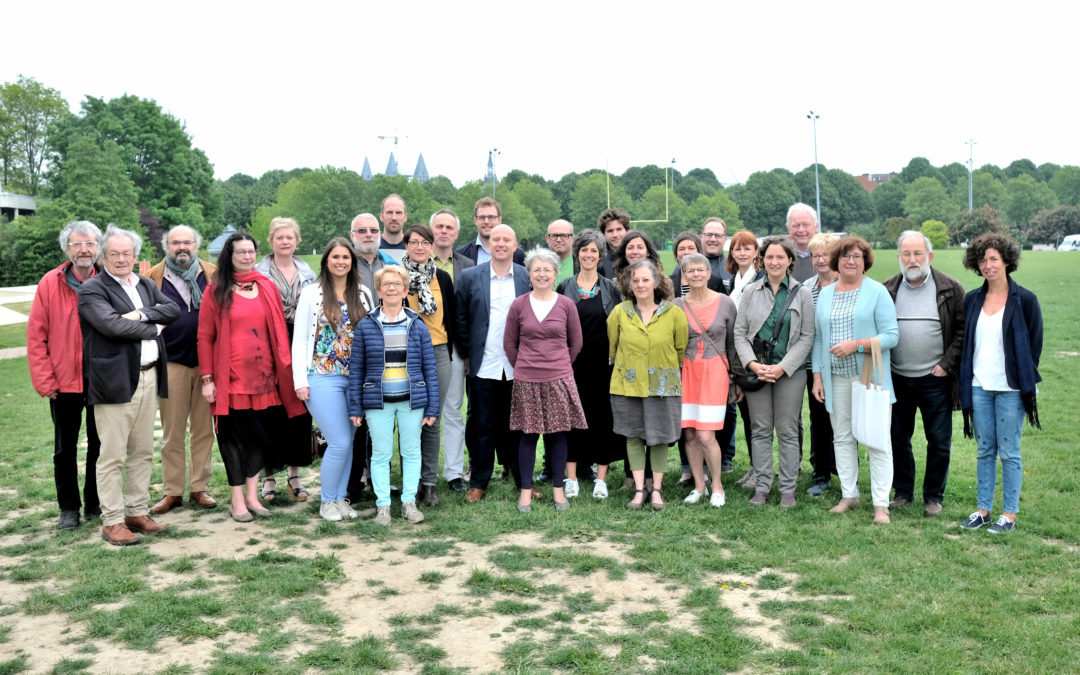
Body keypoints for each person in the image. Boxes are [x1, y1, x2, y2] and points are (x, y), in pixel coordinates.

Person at [78, 225, 179, 545]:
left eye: (127, 253)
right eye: (114, 254)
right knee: (112, 455)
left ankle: (136, 511)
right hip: (114, 380)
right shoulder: (93, 289)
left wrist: (139, 314)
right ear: (103, 256)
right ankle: (111, 520)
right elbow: (111, 325)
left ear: (136, 256)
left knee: (142, 450)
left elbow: (172, 309)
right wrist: (153, 327)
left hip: (149, 375)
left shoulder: (146, 283)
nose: (121, 259)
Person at [199, 232, 306, 522]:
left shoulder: (266, 286)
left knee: (259, 439)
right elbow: (205, 336)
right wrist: (208, 379)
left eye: (250, 252)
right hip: (231, 379)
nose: (246, 257)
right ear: (229, 256)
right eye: (240, 252)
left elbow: (280, 332)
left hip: (265, 379)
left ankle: (252, 496)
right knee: (234, 440)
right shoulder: (216, 289)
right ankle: (236, 501)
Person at [958, 233, 1042, 534]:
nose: (988, 265)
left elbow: (1034, 345)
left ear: (1006, 260)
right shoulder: (972, 299)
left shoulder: (1026, 300)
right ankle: (982, 510)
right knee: (984, 450)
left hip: (1011, 390)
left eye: (993, 259)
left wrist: (1022, 380)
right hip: (979, 386)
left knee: (1009, 452)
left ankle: (1009, 514)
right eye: (982, 260)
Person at [811, 236, 899, 524]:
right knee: (842, 437)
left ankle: (881, 505)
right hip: (835, 378)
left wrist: (857, 345)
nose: (851, 261)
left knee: (877, 440)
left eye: (857, 256)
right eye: (846, 255)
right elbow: (819, 338)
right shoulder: (825, 294)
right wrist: (817, 376)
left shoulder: (877, 292)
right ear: (837, 260)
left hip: (869, 377)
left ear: (866, 262)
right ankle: (849, 495)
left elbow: (891, 335)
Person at [348, 265, 440, 526]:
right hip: (378, 403)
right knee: (380, 453)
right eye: (386, 284)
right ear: (378, 290)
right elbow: (357, 369)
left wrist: (432, 407)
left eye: (396, 284)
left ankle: (409, 502)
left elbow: (429, 368)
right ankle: (383, 505)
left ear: (404, 290)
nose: (391, 288)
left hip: (412, 401)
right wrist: (356, 407)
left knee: (411, 451)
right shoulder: (367, 325)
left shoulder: (417, 324)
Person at [28, 220, 103, 531]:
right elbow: (36, 336)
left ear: (98, 247)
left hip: (101, 380)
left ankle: (96, 503)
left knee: (101, 447)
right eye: (77, 244)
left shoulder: (109, 280)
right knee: (65, 449)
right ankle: (69, 508)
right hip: (64, 382)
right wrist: (46, 381)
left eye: (89, 244)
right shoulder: (50, 282)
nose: (84, 250)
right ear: (67, 249)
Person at [884, 231, 965, 518]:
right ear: (899, 257)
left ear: (929, 256)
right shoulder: (888, 289)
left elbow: (961, 331)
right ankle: (903, 492)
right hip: (897, 378)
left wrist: (947, 363)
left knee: (939, 440)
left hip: (935, 378)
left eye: (918, 253)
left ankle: (933, 496)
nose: (912, 259)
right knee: (897, 437)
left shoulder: (950, 289)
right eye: (906, 254)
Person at [292, 238, 373, 521]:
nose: (341, 262)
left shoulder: (362, 293)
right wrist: (299, 380)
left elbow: (370, 334)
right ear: (326, 260)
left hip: (355, 378)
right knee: (339, 441)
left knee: (349, 441)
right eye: (335, 257)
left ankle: (340, 500)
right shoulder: (311, 293)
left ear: (353, 262)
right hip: (321, 376)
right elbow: (300, 337)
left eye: (346, 257)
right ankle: (327, 501)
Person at [734, 237, 815, 508]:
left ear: (790, 260)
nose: (775, 262)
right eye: (769, 257)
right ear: (762, 260)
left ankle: (788, 489)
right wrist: (752, 365)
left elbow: (807, 337)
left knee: (788, 430)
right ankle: (761, 487)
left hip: (789, 372)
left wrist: (782, 368)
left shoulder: (802, 294)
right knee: (760, 430)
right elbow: (740, 333)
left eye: (780, 257)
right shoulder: (750, 292)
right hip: (757, 371)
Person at [505, 248, 586, 512]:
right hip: (527, 379)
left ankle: (559, 491)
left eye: (547, 270)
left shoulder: (566, 305)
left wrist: (559, 365)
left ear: (555, 274)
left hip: (559, 379)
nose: (542, 274)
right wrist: (527, 366)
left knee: (558, 436)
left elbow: (576, 343)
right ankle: (525, 492)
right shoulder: (519, 305)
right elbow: (510, 343)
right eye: (536, 269)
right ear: (529, 274)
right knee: (528, 437)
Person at [454, 224, 531, 502]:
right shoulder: (470, 276)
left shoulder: (525, 277)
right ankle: (479, 481)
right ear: (488, 244)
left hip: (517, 366)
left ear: (514, 246)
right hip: (483, 364)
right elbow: (460, 318)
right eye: (495, 239)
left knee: (518, 425)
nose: (500, 244)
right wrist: (467, 354)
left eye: (506, 240)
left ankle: (524, 481)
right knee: (482, 425)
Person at [146, 225, 218, 514]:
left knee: (204, 430)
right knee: (172, 432)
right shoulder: (152, 277)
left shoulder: (212, 273)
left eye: (187, 242)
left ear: (196, 244)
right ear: (167, 246)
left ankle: (199, 487)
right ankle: (172, 491)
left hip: (207, 363)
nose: (182, 248)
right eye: (176, 243)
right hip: (172, 361)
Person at [607, 260, 688, 511]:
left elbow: (680, 349)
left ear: (655, 282)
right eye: (635, 280)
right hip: (628, 385)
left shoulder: (674, 313)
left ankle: (657, 490)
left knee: (659, 438)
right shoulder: (620, 312)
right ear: (629, 285)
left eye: (645, 279)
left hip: (663, 386)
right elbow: (612, 347)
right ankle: (640, 489)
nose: (640, 284)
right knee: (633, 437)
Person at [557, 230, 622, 499]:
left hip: (604, 367)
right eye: (584, 250)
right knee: (571, 420)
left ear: (600, 255)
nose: (589, 254)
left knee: (602, 420)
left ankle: (601, 479)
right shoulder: (564, 287)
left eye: (594, 250)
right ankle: (571, 477)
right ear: (577, 253)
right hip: (571, 366)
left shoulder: (611, 289)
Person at [255, 217, 316, 503]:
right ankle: (269, 478)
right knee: (269, 410)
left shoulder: (308, 272)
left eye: (290, 237)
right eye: (279, 237)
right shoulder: (259, 272)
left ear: (297, 240)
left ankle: (294, 474)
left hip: (300, 341)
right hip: (267, 341)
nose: (285, 242)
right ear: (271, 241)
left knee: (297, 408)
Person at [674, 253, 738, 507]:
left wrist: (734, 377)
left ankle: (718, 486)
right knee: (689, 434)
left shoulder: (725, 303)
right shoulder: (677, 305)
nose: (696, 274)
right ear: (684, 275)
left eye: (701, 270)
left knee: (706, 435)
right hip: (686, 373)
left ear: (709, 273)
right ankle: (699, 486)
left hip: (714, 373)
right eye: (691, 270)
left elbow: (733, 342)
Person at [402, 224, 457, 506]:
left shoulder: (443, 278)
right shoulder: (397, 278)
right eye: (414, 242)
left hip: (438, 352)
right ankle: (408, 484)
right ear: (406, 246)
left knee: (431, 419)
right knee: (407, 419)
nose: (420, 247)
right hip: (405, 355)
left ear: (433, 246)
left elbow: (452, 317)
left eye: (425, 242)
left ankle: (428, 484)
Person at [430, 209, 474, 491]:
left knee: (454, 409)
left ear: (457, 233)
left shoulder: (467, 264)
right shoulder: (414, 263)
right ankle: (424, 473)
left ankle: (454, 472)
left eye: (449, 227)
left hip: (455, 345)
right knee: (422, 412)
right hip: (424, 347)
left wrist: (467, 350)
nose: (444, 231)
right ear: (431, 231)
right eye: (439, 226)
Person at [802, 233, 839, 497]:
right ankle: (822, 471)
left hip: (842, 362)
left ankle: (848, 469)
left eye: (825, 254)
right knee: (820, 419)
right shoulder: (806, 287)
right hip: (811, 364)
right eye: (815, 255)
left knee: (845, 419)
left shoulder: (847, 285)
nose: (820, 259)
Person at [726, 229, 764, 489]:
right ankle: (754, 467)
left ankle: (760, 469)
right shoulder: (733, 280)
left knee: (758, 418)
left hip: (755, 354)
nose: (742, 252)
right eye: (737, 248)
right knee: (747, 416)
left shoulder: (759, 279)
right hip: (736, 357)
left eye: (747, 248)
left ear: (755, 253)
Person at [455, 197, 526, 265]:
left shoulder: (518, 255)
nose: (486, 221)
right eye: (482, 217)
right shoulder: (461, 254)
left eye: (491, 217)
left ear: (499, 220)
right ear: (475, 220)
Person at [350, 213, 399, 297]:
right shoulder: (343, 266)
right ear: (351, 235)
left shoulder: (392, 266)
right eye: (362, 231)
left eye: (373, 230)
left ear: (379, 234)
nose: (369, 234)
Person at [670, 231, 725, 298]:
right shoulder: (669, 283)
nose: (686, 252)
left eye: (691, 248)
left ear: (699, 252)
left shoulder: (715, 281)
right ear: (676, 254)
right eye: (681, 249)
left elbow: (722, 304)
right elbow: (662, 306)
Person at [786, 203, 819, 282]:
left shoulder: (830, 256)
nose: (801, 230)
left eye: (806, 225)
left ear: (816, 227)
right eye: (796, 225)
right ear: (788, 228)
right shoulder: (781, 258)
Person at [701, 218, 734, 293]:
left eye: (718, 235)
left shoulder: (734, 267)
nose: (713, 239)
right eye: (709, 235)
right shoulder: (687, 266)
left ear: (725, 239)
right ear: (702, 237)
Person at [597, 208, 630, 278]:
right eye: (610, 231)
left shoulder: (637, 254)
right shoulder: (598, 259)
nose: (615, 235)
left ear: (627, 231)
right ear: (603, 234)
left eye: (619, 229)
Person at [378, 194, 408, 262]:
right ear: (381, 217)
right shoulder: (372, 247)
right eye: (389, 212)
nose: (394, 218)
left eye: (398, 213)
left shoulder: (414, 248)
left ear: (405, 217)